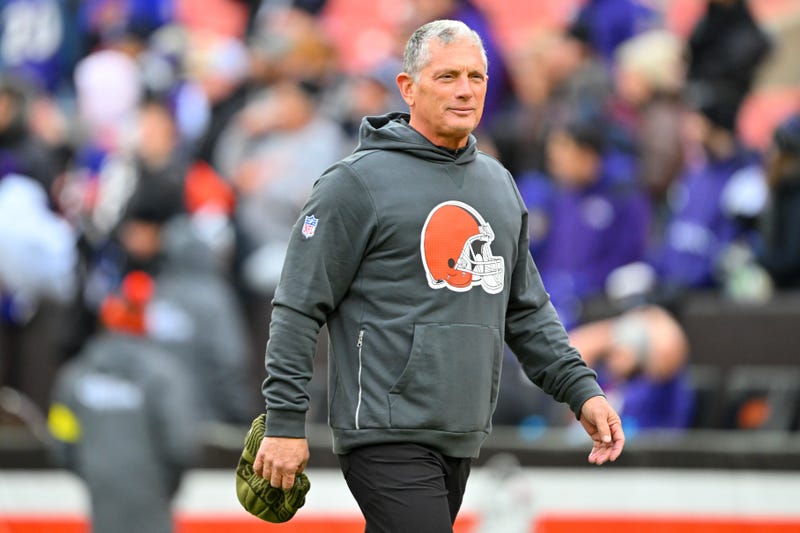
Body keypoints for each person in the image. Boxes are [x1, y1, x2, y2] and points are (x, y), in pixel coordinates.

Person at [252, 20, 624, 531]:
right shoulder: (354, 184)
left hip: (461, 432)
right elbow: (298, 304)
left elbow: (526, 308)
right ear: (408, 87)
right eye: (448, 75)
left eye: (477, 75)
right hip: (384, 432)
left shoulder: (498, 184)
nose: (466, 89)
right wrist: (284, 422)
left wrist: (581, 389)